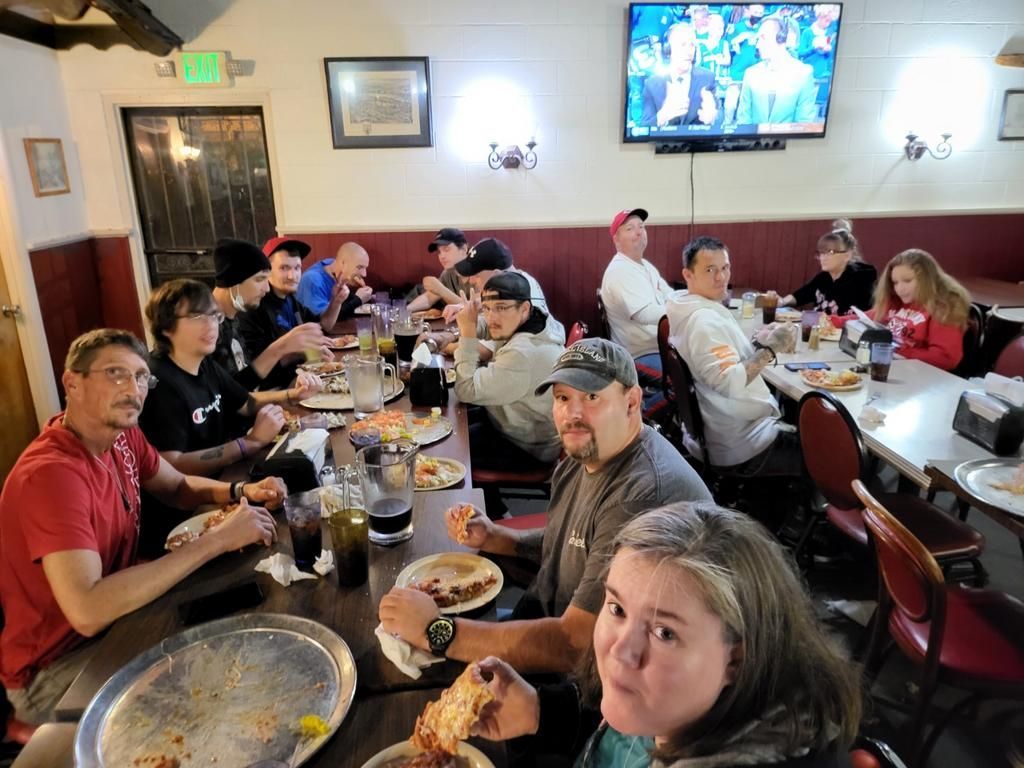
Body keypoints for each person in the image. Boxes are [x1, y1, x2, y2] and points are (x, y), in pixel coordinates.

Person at [0, 329, 283, 724]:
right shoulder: (52, 474)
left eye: (140, 377)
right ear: (72, 383)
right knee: (216, 690)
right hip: (57, 666)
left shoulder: (123, 436)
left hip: (122, 620)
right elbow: (87, 609)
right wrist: (217, 540)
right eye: (115, 373)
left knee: (245, 635)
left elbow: (177, 486)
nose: (133, 389)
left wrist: (240, 490)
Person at [379, 339, 711, 673]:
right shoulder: (584, 458)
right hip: (544, 620)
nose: (573, 414)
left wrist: (436, 632)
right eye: (562, 398)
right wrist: (496, 537)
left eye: (591, 397)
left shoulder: (640, 496)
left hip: (594, 680)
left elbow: (577, 645)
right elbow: (571, 547)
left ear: (632, 402)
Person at [471, 503, 862, 768]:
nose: (621, 650)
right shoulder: (680, 703)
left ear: (737, 660)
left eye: (664, 633)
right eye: (617, 609)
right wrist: (540, 711)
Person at [139, 279, 321, 554]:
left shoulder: (204, 364)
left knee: (308, 493)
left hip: (226, 484)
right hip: (184, 519)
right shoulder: (159, 383)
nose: (211, 325)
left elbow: (245, 403)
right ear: (166, 326)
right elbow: (172, 466)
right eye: (198, 317)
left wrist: (291, 396)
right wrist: (248, 444)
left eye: (214, 316)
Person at [667, 236, 801, 474]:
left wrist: (758, 342)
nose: (721, 277)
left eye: (725, 267)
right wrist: (771, 349)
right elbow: (729, 382)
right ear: (688, 275)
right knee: (831, 454)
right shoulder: (703, 321)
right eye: (710, 270)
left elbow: (720, 359)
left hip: (716, 432)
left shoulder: (687, 306)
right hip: (740, 444)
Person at [453, 272, 564, 469]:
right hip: (511, 422)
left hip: (526, 448)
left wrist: (468, 332)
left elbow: (465, 389)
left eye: (502, 308)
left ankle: (487, 494)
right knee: (450, 422)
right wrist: (468, 321)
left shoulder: (523, 354)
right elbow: (491, 327)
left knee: (449, 451)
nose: (491, 317)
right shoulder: (536, 320)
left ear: (525, 308)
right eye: (486, 308)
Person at [209, 238, 333, 390]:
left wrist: (290, 394)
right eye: (260, 279)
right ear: (234, 280)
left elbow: (244, 386)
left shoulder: (232, 319)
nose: (267, 288)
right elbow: (230, 395)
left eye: (297, 268)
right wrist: (281, 348)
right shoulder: (210, 328)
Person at [833, 249, 970, 371]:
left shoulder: (943, 306)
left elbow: (946, 358)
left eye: (908, 281)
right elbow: (872, 316)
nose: (900, 289)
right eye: (895, 283)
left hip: (921, 376)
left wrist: (897, 351)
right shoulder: (897, 300)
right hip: (892, 365)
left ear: (927, 280)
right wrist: (835, 321)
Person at [236, 238, 349, 387]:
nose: (292, 276)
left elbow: (323, 326)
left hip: (303, 380)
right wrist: (301, 352)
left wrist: (336, 301)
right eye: (284, 268)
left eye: (297, 268)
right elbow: (258, 374)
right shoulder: (255, 307)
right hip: (277, 390)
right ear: (267, 271)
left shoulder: (291, 299)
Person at [425, 237, 566, 351]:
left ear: (497, 275)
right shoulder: (519, 282)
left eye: (476, 276)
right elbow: (484, 320)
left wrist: (440, 344)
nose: (471, 281)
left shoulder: (518, 297)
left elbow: (484, 351)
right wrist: (453, 329)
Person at [599, 208, 673, 384]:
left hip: (661, 347)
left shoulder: (645, 265)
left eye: (641, 226)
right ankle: (646, 402)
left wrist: (692, 302)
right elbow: (644, 314)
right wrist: (685, 311)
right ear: (616, 240)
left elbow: (670, 295)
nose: (639, 232)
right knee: (687, 381)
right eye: (630, 228)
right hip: (638, 355)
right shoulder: (620, 271)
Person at [768, 219, 877, 315]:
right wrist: (781, 302)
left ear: (847, 255)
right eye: (821, 252)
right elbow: (800, 295)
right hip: (819, 329)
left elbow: (863, 317)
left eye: (831, 252)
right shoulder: (823, 277)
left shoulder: (862, 279)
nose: (823, 257)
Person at [736, 15, 818, 125]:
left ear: (780, 37)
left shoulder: (803, 73)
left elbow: (804, 122)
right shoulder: (751, 74)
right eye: (758, 39)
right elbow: (743, 119)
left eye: (763, 38)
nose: (758, 45)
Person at [640, 23, 718, 128]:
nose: (689, 51)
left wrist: (712, 118)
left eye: (692, 45)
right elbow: (644, 128)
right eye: (683, 45)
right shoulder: (652, 84)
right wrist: (663, 115)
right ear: (668, 49)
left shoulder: (707, 79)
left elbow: (720, 119)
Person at [295, 241, 373, 318]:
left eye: (365, 268)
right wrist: (358, 300)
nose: (364, 274)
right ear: (342, 263)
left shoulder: (333, 265)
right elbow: (325, 319)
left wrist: (361, 295)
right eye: (359, 267)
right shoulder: (313, 280)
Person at [407, 227, 469, 313]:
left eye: (446, 249)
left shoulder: (480, 271)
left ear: (464, 249)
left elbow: (476, 310)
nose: (442, 256)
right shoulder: (448, 273)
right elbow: (428, 298)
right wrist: (404, 310)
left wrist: (441, 289)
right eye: (439, 252)